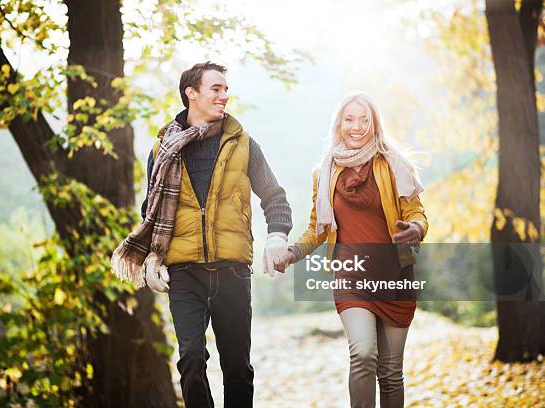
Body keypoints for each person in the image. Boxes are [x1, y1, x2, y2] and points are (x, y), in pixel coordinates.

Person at [111, 61, 292, 408]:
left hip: (232, 271)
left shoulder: (242, 144)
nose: (225, 95)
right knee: (191, 360)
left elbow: (274, 197)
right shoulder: (162, 150)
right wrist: (151, 259)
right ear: (191, 93)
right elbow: (152, 209)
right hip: (183, 273)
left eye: (226, 88)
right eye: (216, 88)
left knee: (237, 367)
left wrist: (277, 236)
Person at [275, 92, 428, 408]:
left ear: (375, 125)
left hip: (395, 276)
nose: (356, 126)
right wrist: (292, 252)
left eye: (364, 120)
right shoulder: (326, 172)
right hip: (350, 276)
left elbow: (415, 211)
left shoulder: (392, 164)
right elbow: (318, 228)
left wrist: (415, 229)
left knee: (390, 372)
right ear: (339, 124)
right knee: (362, 353)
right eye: (349, 119)